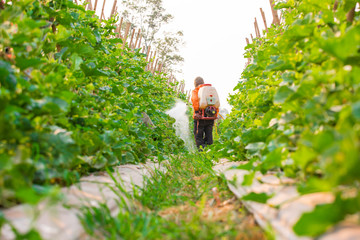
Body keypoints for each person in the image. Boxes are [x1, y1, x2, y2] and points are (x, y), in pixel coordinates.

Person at [191, 76, 218, 151]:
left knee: (198, 135)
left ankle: (202, 152)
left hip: (200, 117)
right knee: (209, 134)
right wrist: (215, 114)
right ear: (203, 82)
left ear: (195, 84)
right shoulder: (210, 90)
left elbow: (195, 100)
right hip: (210, 116)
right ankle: (210, 150)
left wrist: (196, 112)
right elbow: (216, 103)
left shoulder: (196, 90)